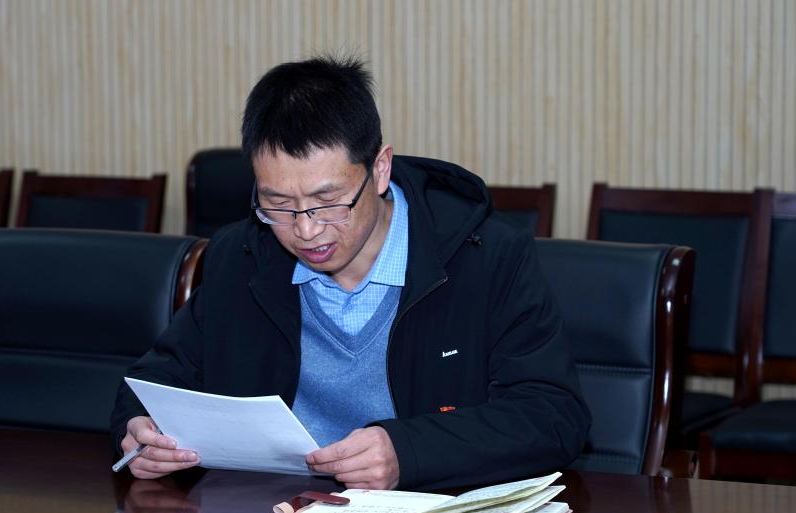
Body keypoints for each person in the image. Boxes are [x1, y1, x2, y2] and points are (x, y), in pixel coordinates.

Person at [111, 55, 590, 490]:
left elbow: (553, 415)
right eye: (278, 204)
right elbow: (155, 380)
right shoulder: (241, 255)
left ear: (380, 169)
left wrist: (409, 451)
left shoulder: (486, 257)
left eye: (328, 202)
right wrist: (140, 429)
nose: (306, 230)